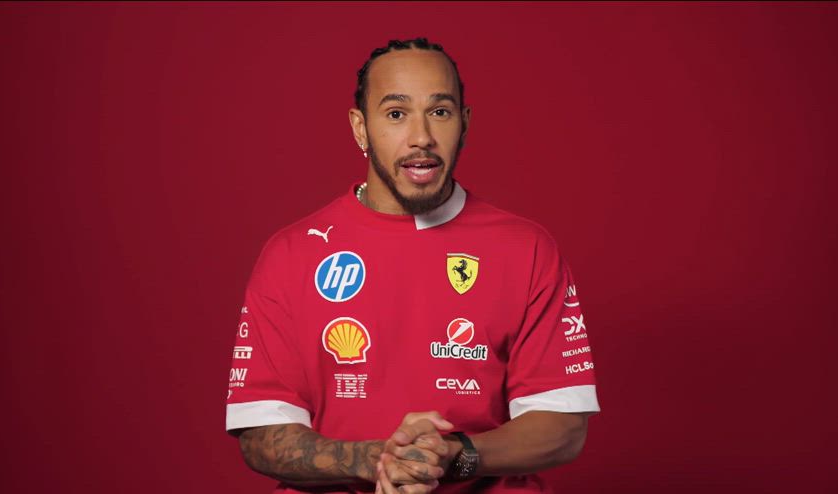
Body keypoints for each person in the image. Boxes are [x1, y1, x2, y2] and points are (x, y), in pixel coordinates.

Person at [226, 38, 600, 493]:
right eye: (396, 113)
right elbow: (260, 434)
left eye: (439, 111)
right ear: (360, 128)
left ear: (464, 123)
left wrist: (453, 455)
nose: (421, 136)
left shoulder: (527, 248)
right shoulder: (290, 255)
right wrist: (374, 460)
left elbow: (563, 425)